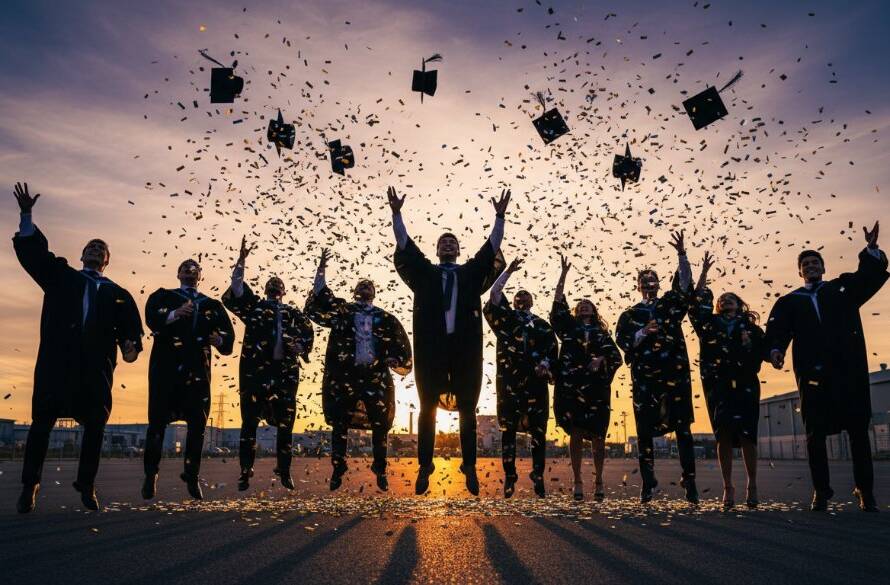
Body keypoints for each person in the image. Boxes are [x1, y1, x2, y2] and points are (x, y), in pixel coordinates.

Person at [11, 183, 143, 513]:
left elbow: (131, 334)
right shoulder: (61, 276)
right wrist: (27, 215)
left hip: (95, 369)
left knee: (96, 426)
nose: (96, 249)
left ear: (107, 260)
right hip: (57, 363)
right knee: (42, 423)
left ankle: (86, 485)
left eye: (101, 248)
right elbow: (35, 256)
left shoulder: (118, 294)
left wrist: (130, 349)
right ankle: (31, 485)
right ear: (83, 255)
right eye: (91, 246)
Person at [389, 186, 507, 496]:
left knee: (468, 406)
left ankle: (469, 465)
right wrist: (397, 214)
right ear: (438, 249)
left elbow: (490, 247)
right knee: (427, 406)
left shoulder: (469, 274)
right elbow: (404, 244)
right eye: (443, 241)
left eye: (452, 241)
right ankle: (425, 465)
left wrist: (499, 217)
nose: (448, 243)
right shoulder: (425, 274)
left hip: (465, 350)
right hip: (432, 351)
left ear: (457, 249)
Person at [765, 222, 887, 512]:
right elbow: (777, 331)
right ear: (799, 271)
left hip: (848, 372)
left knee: (858, 432)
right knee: (814, 435)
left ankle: (865, 490)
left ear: (823, 266)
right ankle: (821, 491)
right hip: (813, 375)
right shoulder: (790, 301)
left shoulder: (842, 289)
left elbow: (868, 276)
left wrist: (870, 250)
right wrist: (776, 351)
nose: (810, 266)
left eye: (814, 262)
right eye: (805, 263)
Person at [306, 248, 412, 492]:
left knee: (380, 424)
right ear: (355, 292)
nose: (365, 289)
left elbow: (400, 345)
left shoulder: (384, 318)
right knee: (340, 423)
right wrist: (321, 269)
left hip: (375, 377)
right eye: (361, 286)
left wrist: (396, 361)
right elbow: (322, 296)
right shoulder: (343, 311)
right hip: (346, 376)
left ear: (374, 293)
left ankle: (380, 468)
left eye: (368, 287)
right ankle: (338, 466)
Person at [222, 236, 314, 492]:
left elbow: (307, 336)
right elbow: (237, 288)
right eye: (271, 284)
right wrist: (241, 261)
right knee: (249, 422)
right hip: (256, 374)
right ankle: (245, 469)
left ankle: (284, 470)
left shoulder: (294, 314)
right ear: (265, 290)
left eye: (278, 285)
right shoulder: (255, 308)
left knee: (286, 424)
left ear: (283, 291)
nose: (274, 287)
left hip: (284, 375)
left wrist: (301, 347)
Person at [616, 231, 697, 504]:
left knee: (683, 428)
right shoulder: (629, 315)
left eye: (653, 281)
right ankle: (648, 482)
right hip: (645, 380)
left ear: (659, 285)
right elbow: (623, 341)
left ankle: (690, 481)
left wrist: (682, 255)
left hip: (674, 375)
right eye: (644, 282)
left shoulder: (669, 305)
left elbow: (685, 285)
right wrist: (643, 332)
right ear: (638, 286)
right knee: (644, 432)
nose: (649, 285)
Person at [143, 258, 234, 501]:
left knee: (198, 426)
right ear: (178, 273)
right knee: (156, 425)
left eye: (195, 268)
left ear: (200, 276)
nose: (189, 270)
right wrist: (174, 313)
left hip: (197, 372)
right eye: (185, 267)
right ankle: (151, 474)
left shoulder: (211, 305)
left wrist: (220, 341)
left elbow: (227, 334)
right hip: (166, 370)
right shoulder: (163, 296)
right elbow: (152, 317)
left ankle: (192, 476)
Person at [688, 251, 764, 509]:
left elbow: (762, 354)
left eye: (730, 298)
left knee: (747, 435)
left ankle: (752, 485)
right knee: (723, 435)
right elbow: (696, 304)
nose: (725, 300)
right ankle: (728, 487)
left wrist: (748, 343)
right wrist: (704, 275)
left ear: (739, 304)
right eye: (721, 299)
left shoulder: (751, 328)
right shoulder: (709, 325)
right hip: (718, 385)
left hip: (745, 383)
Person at [483, 257, 557, 498]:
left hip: (535, 384)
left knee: (538, 432)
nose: (522, 300)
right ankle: (510, 475)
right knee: (508, 430)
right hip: (510, 383)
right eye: (518, 298)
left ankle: (538, 474)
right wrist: (507, 272)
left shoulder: (543, 326)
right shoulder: (506, 321)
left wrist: (545, 365)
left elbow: (551, 352)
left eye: (526, 297)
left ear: (532, 302)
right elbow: (494, 295)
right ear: (513, 303)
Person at [550, 254, 622, 502]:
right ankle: (578, 480)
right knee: (576, 433)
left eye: (587, 304)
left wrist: (600, 360)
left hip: (596, 388)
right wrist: (563, 275)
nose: (583, 306)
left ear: (594, 310)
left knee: (599, 436)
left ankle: (599, 480)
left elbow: (616, 357)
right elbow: (558, 306)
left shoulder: (602, 334)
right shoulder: (569, 328)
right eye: (579, 305)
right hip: (572, 386)